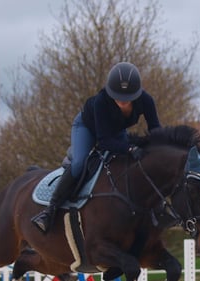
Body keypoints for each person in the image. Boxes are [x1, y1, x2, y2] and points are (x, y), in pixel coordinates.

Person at [31, 62, 162, 233]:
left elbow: (156, 129)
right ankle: (50, 211)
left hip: (114, 130)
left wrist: (158, 148)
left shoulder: (146, 100)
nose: (122, 101)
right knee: (79, 164)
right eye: (118, 96)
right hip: (87, 128)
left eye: (127, 97)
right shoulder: (101, 101)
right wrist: (130, 148)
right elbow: (105, 142)